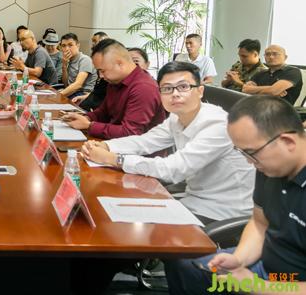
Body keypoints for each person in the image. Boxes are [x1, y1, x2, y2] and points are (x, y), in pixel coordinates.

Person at [164, 95, 306, 294]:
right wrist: (239, 259)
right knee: (183, 263)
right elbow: (259, 223)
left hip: (290, 281)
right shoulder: (270, 167)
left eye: (251, 153)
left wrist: (258, 286)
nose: (249, 162)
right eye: (242, 152)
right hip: (266, 263)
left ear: (288, 141)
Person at [81, 61, 254, 222]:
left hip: (222, 212)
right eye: (167, 88)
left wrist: (114, 158)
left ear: (200, 91)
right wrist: (106, 146)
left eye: (183, 87)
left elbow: (173, 169)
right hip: (192, 199)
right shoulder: (177, 117)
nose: (175, 94)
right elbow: (145, 141)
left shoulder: (218, 125)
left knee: (127, 226)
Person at [63, 39, 166, 139]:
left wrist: (89, 125)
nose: (101, 76)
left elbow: (130, 133)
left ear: (119, 63)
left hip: (138, 148)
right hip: (116, 142)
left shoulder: (144, 88)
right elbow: (103, 112)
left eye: (103, 71)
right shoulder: (115, 81)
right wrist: (86, 118)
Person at [58, 33, 98, 98]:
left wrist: (58, 96)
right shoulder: (67, 60)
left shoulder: (85, 60)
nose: (67, 49)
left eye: (70, 45)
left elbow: (78, 85)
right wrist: (64, 66)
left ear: (78, 45)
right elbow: (66, 84)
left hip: (82, 94)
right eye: (64, 46)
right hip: (72, 92)